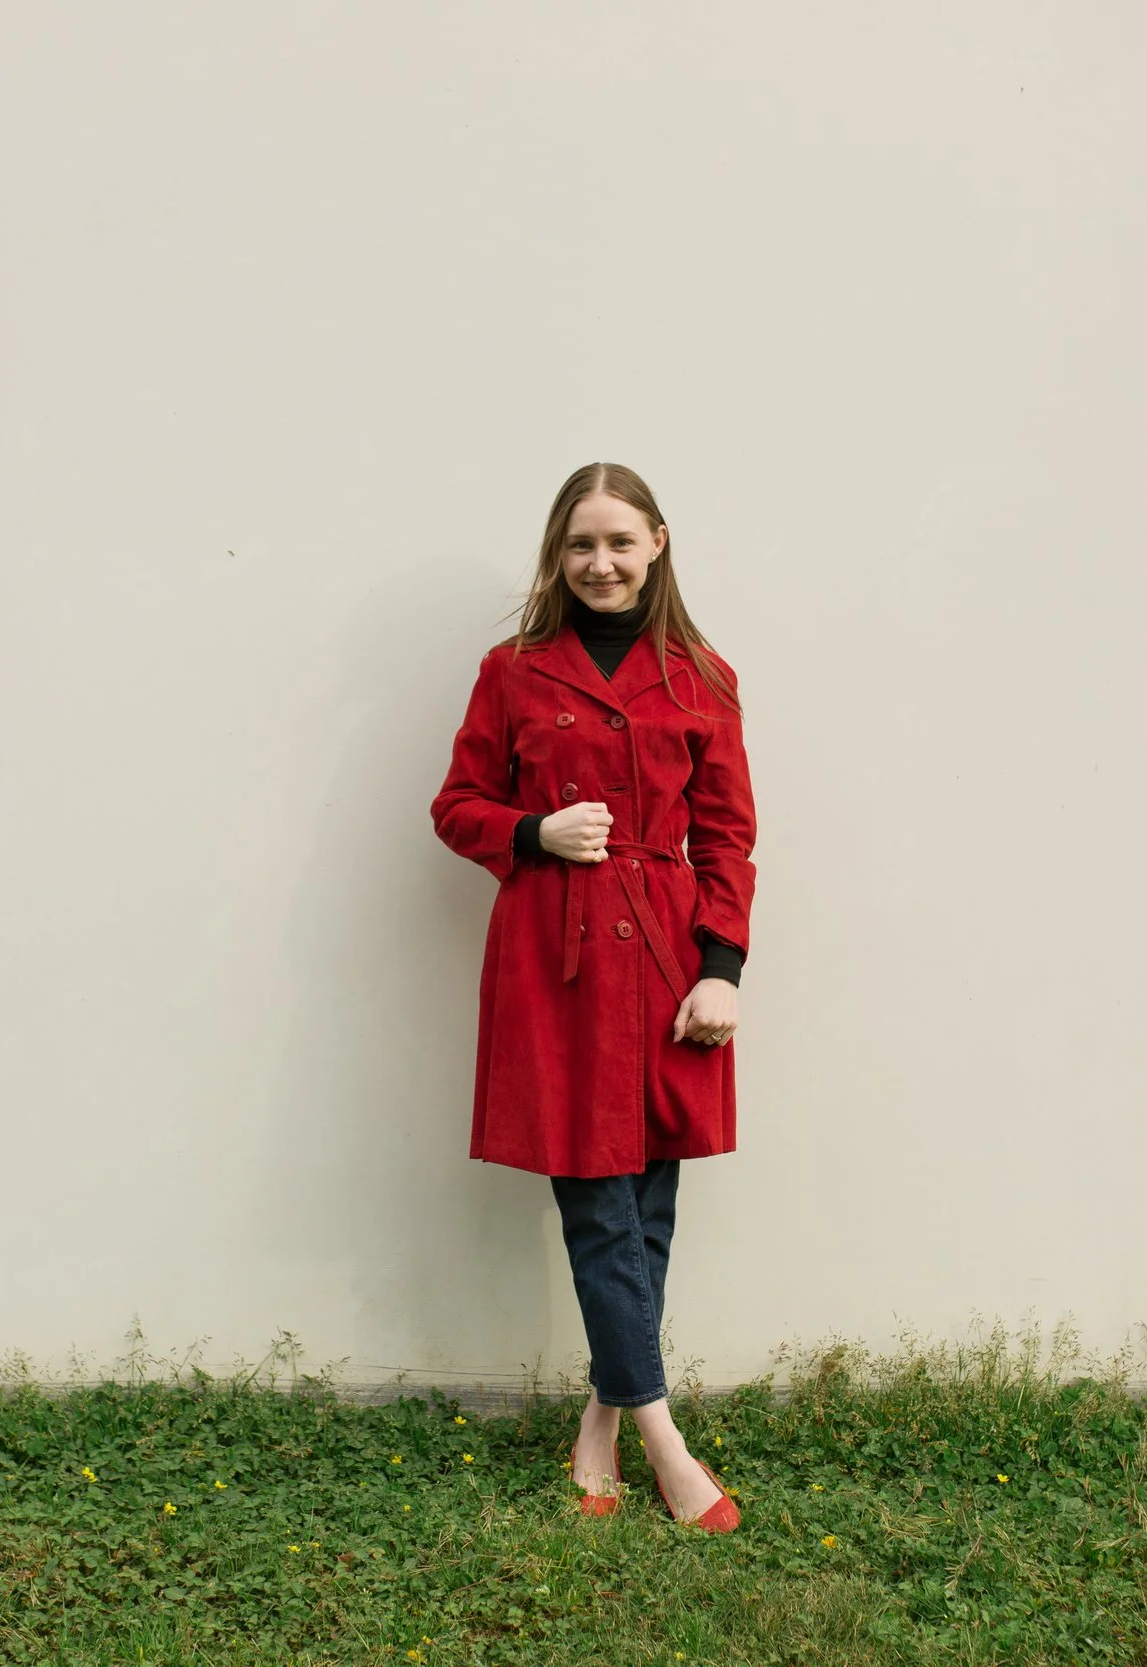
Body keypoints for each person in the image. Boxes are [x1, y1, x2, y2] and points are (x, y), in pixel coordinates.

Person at [430, 461, 755, 1532]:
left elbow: (728, 834)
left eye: (619, 541)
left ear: (658, 542)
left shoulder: (703, 676)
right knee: (596, 1202)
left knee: (648, 1205)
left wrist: (721, 965)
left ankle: (601, 1424)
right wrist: (533, 831)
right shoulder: (512, 670)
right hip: (553, 960)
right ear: (555, 556)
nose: (600, 562)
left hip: (668, 955)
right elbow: (457, 803)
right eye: (580, 544)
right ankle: (666, 1437)